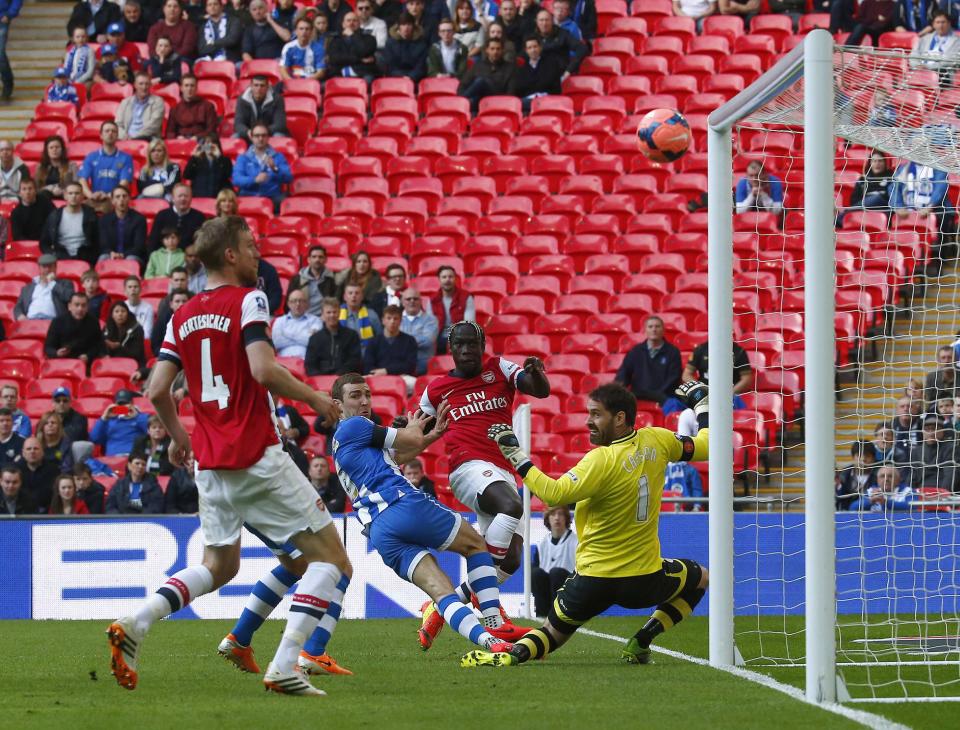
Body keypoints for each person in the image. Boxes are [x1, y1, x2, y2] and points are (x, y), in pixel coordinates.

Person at [107, 214, 350, 696]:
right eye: (251, 244)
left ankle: (136, 621)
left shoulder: (182, 314)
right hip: (255, 455)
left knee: (220, 566)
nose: (259, 252)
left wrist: (180, 438)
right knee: (333, 562)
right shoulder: (249, 299)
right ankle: (285, 665)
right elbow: (262, 369)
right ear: (232, 255)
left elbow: (157, 389)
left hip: (211, 463)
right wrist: (318, 399)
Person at [462, 380, 710, 668]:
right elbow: (707, 446)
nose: (588, 421)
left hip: (592, 580)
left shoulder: (600, 460)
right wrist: (701, 404)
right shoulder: (659, 440)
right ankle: (642, 641)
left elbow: (554, 493)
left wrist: (516, 457)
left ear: (619, 418)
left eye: (595, 414)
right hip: (643, 581)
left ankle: (509, 656)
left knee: (552, 634)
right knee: (701, 577)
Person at [333, 373, 518, 653]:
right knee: (476, 545)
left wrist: (432, 435)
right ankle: (493, 620)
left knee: (441, 592)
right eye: (355, 396)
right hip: (402, 504)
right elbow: (409, 438)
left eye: (367, 394)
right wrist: (415, 425)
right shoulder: (356, 426)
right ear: (337, 405)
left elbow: (396, 457)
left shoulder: (342, 443)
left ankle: (491, 644)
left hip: (380, 532)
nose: (364, 401)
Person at [415, 321, 550, 648]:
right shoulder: (436, 389)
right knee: (512, 507)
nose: (466, 350)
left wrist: (538, 373)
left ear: (482, 344)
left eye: (472, 344)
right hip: (467, 467)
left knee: (513, 559)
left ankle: (442, 608)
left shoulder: (499, 368)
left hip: (503, 470)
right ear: (450, 349)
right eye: (459, 345)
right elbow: (418, 427)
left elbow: (539, 389)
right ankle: (492, 619)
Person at [890, 157, 957, 266]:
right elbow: (893, 188)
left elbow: (940, 188)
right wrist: (898, 206)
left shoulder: (938, 168)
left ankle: (940, 259)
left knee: (942, 218)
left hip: (936, 207)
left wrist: (930, 206)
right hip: (908, 209)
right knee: (890, 217)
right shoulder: (903, 169)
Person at [616, 315, 685, 414]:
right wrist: (618, 390)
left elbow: (674, 377)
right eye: (650, 326)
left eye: (657, 326)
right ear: (645, 330)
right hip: (639, 394)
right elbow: (624, 373)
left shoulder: (673, 352)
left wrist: (657, 394)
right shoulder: (635, 351)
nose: (654, 329)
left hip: (664, 395)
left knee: (675, 406)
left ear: (663, 330)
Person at [232, 123, 293, 211]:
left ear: (268, 138)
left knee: (286, 203)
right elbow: (237, 179)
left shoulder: (278, 156)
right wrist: (254, 180)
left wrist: (275, 168)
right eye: (257, 136)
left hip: (271, 197)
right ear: (251, 138)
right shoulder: (243, 158)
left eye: (264, 135)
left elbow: (288, 178)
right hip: (248, 196)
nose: (260, 139)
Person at [531, 505, 576, 618]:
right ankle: (541, 615)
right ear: (548, 518)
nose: (557, 518)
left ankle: (559, 614)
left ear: (566, 518)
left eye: (560, 514)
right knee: (536, 574)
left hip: (570, 590)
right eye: (553, 514)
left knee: (556, 573)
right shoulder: (542, 544)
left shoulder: (576, 542)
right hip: (546, 591)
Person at [79, 121, 134, 214]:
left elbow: (124, 183)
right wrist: (90, 195)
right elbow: (82, 179)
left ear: (117, 136)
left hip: (114, 199)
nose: (110, 133)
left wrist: (108, 195)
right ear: (101, 135)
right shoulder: (91, 156)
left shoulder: (126, 158)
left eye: (113, 131)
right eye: (107, 131)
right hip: (94, 199)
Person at [40, 182, 100, 265]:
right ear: (65, 196)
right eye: (70, 193)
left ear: (82, 196)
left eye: (77, 193)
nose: (73, 196)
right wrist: (52, 255)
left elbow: (98, 240)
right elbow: (44, 242)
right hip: (60, 258)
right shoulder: (54, 216)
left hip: (85, 259)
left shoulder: (90, 215)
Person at [682, 339, 753, 410]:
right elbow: (686, 375)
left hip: (730, 395)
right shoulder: (701, 349)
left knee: (736, 401)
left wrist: (730, 393)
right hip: (704, 394)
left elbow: (747, 379)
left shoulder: (738, 351)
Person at [43, 291, 105, 367]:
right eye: (77, 305)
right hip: (62, 363)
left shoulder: (93, 322)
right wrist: (57, 353)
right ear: (69, 306)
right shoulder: (58, 322)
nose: (80, 309)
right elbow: (48, 347)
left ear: (87, 307)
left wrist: (88, 356)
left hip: (86, 364)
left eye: (83, 305)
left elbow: (98, 345)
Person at [305, 297, 364, 375]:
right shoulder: (314, 339)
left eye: (334, 312)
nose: (332, 315)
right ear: (322, 315)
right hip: (320, 382)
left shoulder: (352, 336)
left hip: (345, 380)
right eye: (328, 312)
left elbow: (354, 361)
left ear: (339, 313)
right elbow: (310, 364)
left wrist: (338, 375)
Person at [364, 304, 418, 387]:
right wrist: (379, 373)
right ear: (383, 320)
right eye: (389, 318)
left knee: (414, 383)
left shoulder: (410, 340)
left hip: (401, 377)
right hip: (377, 377)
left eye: (395, 318)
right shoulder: (373, 341)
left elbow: (410, 365)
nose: (392, 321)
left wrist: (387, 371)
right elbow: (368, 365)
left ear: (400, 321)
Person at [458, 37, 515, 113]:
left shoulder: (510, 68)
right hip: (479, 102)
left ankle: (459, 102)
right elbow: (463, 85)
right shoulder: (478, 65)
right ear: (487, 50)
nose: (495, 52)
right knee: (471, 101)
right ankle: (461, 103)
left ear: (502, 50)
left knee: (481, 81)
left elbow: (511, 93)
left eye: (498, 49)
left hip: (498, 101)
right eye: (492, 49)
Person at [148, 183, 208, 252]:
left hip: (189, 259)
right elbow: (152, 242)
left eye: (186, 196)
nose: (183, 199)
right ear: (173, 198)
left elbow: (202, 244)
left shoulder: (199, 217)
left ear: (191, 198)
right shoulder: (162, 215)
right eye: (180, 196)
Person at [13, 254, 75, 321]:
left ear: (55, 268)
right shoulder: (27, 288)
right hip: (31, 322)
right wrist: (20, 315)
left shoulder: (64, 283)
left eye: (50, 266)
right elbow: (18, 306)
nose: (47, 270)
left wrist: (52, 283)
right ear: (39, 268)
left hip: (53, 323)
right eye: (44, 267)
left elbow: (69, 297)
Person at [510, 34, 562, 113]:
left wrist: (532, 83)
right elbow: (519, 87)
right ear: (526, 51)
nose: (533, 50)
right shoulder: (521, 68)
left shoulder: (551, 63)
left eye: (535, 46)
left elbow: (552, 84)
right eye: (530, 48)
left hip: (547, 100)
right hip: (527, 101)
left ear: (540, 48)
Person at [91, 389, 151, 456]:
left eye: (125, 403)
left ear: (132, 404)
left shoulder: (142, 417)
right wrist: (104, 418)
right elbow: (95, 439)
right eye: (120, 404)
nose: (123, 406)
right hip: (113, 458)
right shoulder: (109, 420)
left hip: (133, 458)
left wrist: (137, 417)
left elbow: (152, 433)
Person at [99, 186, 149, 264]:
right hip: (111, 255)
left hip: (132, 255)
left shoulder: (139, 219)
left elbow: (139, 246)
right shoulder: (104, 220)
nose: (121, 199)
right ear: (112, 200)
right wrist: (111, 253)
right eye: (117, 197)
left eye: (124, 196)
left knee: (130, 259)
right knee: (103, 258)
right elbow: (103, 244)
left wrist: (123, 255)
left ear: (129, 199)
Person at [325, 11, 379, 82]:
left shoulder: (369, 38)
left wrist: (352, 36)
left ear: (359, 23)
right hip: (339, 72)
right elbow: (335, 58)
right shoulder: (335, 40)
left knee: (368, 80)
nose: (351, 23)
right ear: (343, 24)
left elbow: (364, 51)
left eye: (354, 20)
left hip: (362, 73)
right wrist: (359, 60)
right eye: (348, 20)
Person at [234, 74, 287, 141]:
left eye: (262, 85)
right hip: (250, 134)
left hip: (269, 133)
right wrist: (248, 132)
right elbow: (238, 124)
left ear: (267, 87)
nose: (259, 88)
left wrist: (261, 132)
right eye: (256, 85)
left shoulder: (277, 99)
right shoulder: (242, 99)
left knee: (278, 136)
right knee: (235, 138)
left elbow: (280, 124)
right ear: (251, 86)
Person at [432, 264, 474, 349]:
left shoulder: (466, 297)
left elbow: (469, 323)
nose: (447, 280)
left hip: (459, 337)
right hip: (438, 338)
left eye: (450, 277)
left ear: (455, 279)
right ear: (439, 280)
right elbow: (430, 324)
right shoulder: (433, 299)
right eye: (444, 277)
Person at [287, 244, 337, 315]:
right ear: (308, 260)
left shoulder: (331, 279)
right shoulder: (297, 279)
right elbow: (289, 303)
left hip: (325, 318)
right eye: (314, 257)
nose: (317, 260)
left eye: (320, 257)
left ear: (326, 260)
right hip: (303, 317)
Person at [271, 289, 322, 358]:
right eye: (294, 301)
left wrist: (286, 333)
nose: (297, 304)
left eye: (301, 301)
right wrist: (304, 336)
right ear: (288, 304)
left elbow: (313, 342)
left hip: (306, 361)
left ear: (306, 304)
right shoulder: (279, 321)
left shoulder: (316, 320)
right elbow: (276, 342)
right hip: (284, 362)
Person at [399, 287, 439, 374]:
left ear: (421, 301)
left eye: (415, 299)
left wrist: (402, 341)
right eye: (408, 299)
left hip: (423, 366)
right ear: (402, 302)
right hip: (399, 365)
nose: (412, 301)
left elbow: (428, 341)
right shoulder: (396, 319)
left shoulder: (431, 320)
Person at [166, 75, 218, 139]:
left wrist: (198, 137)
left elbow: (211, 131)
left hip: (201, 142)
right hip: (181, 142)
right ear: (181, 88)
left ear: (196, 88)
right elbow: (170, 132)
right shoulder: (175, 109)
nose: (189, 89)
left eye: (192, 85)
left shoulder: (207, 106)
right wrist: (177, 138)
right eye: (186, 85)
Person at [382, 12, 430, 81]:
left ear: (413, 26)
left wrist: (410, 77)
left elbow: (421, 67)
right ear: (398, 26)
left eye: (409, 24)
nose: (406, 28)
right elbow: (390, 67)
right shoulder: (390, 43)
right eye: (403, 24)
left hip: (416, 79)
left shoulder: (421, 44)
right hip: (395, 79)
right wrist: (403, 77)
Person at [849, 462, 915, 511]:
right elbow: (853, 508)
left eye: (890, 476)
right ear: (877, 480)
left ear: (898, 479)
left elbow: (913, 507)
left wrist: (886, 502)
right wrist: (870, 501)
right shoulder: (871, 491)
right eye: (882, 476)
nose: (886, 479)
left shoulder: (907, 491)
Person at [15, 436, 59, 511]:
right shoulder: (15, 470)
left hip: (46, 514)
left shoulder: (53, 470)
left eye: (36, 448)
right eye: (29, 449)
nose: (32, 451)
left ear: (42, 452)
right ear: (23, 453)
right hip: (20, 513)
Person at [103, 300, 148, 372]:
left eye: (123, 311)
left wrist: (119, 347)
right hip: (112, 365)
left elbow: (137, 353)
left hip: (133, 365)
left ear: (128, 313)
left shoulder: (137, 329)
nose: (120, 314)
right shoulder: (107, 328)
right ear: (112, 315)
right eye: (116, 311)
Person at [340, 283, 382, 354]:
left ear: (362, 296)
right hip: (343, 356)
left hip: (366, 355)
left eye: (357, 293)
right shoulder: (337, 314)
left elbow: (380, 337)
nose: (354, 296)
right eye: (350, 293)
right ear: (344, 297)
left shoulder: (372, 315)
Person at [836, 439, 878, 509]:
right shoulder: (843, 476)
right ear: (853, 457)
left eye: (867, 456)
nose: (863, 459)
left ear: (873, 459)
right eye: (859, 455)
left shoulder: (880, 476)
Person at [35, 135, 79, 203]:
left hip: (66, 196)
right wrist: (48, 188)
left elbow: (77, 185)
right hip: (45, 196)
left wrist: (63, 190)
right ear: (47, 151)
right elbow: (35, 188)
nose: (54, 150)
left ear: (62, 149)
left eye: (57, 147)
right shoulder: (40, 167)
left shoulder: (72, 165)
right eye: (51, 147)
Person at [151, 286, 191, 356]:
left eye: (184, 301)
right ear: (171, 304)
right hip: (167, 357)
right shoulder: (161, 320)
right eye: (177, 301)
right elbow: (155, 346)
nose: (181, 304)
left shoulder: (195, 318)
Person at [138, 139, 181, 204]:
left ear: (164, 153)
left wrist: (156, 187)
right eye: (153, 151)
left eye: (159, 151)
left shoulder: (173, 167)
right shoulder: (144, 170)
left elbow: (172, 184)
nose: (156, 154)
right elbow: (141, 186)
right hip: (147, 197)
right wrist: (159, 186)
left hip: (166, 198)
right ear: (149, 154)